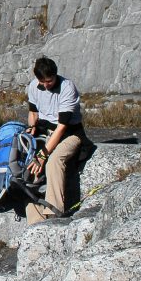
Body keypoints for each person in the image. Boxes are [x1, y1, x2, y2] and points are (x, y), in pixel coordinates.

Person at [25, 55, 85, 224]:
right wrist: (32, 127)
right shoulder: (33, 86)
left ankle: (53, 211)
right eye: (42, 82)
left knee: (54, 161)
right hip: (46, 131)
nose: (46, 85)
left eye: (49, 81)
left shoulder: (67, 88)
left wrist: (42, 155)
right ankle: (35, 219)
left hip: (69, 134)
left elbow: (62, 127)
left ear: (55, 75)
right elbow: (33, 112)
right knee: (29, 170)